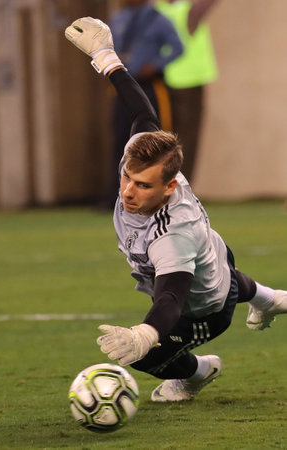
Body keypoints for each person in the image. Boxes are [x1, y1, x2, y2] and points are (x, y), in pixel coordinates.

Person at [65, 17, 287, 402]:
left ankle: (199, 372)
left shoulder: (173, 235)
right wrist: (105, 56)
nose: (129, 191)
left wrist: (144, 335)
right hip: (214, 252)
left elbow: (170, 298)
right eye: (127, 179)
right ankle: (272, 299)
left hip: (205, 310)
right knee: (222, 268)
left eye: (143, 185)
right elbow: (142, 110)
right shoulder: (141, 159)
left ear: (171, 186)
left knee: (146, 357)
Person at [103, 0, 183, 208]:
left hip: (150, 86)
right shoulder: (118, 19)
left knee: (154, 140)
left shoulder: (158, 19)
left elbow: (178, 48)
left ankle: (161, 195)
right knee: (121, 139)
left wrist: (156, 65)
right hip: (123, 86)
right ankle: (118, 195)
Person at [155, 0, 218, 183]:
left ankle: (168, 188)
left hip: (164, 79)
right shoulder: (188, 10)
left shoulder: (157, 9)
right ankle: (179, 188)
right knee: (185, 141)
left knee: (168, 140)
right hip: (185, 81)